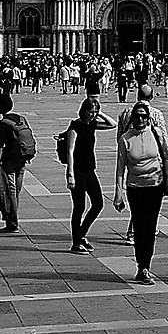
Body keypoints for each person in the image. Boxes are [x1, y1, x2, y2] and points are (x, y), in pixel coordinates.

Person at [113, 100, 168, 284]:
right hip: (135, 189)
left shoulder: (155, 133)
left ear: (148, 119)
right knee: (139, 228)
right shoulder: (125, 139)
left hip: (155, 187)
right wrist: (118, 193)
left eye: (144, 116)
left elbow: (165, 156)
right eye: (137, 116)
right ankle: (141, 266)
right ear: (132, 118)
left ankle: (146, 265)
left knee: (150, 227)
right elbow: (120, 169)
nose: (140, 119)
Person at [66, 93, 108, 252]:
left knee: (98, 203)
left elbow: (112, 124)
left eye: (95, 112)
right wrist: (70, 175)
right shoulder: (74, 127)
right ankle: (76, 243)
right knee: (79, 207)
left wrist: (99, 111)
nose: (93, 114)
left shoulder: (92, 124)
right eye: (91, 111)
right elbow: (70, 151)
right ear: (83, 110)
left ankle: (81, 233)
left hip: (90, 170)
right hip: (77, 171)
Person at [0, 92, 31, 233]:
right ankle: (12, 219)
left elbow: (0, 146)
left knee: (9, 192)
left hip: (9, 161)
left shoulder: (3, 124)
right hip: (23, 159)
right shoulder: (21, 119)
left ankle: (12, 223)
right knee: (16, 191)